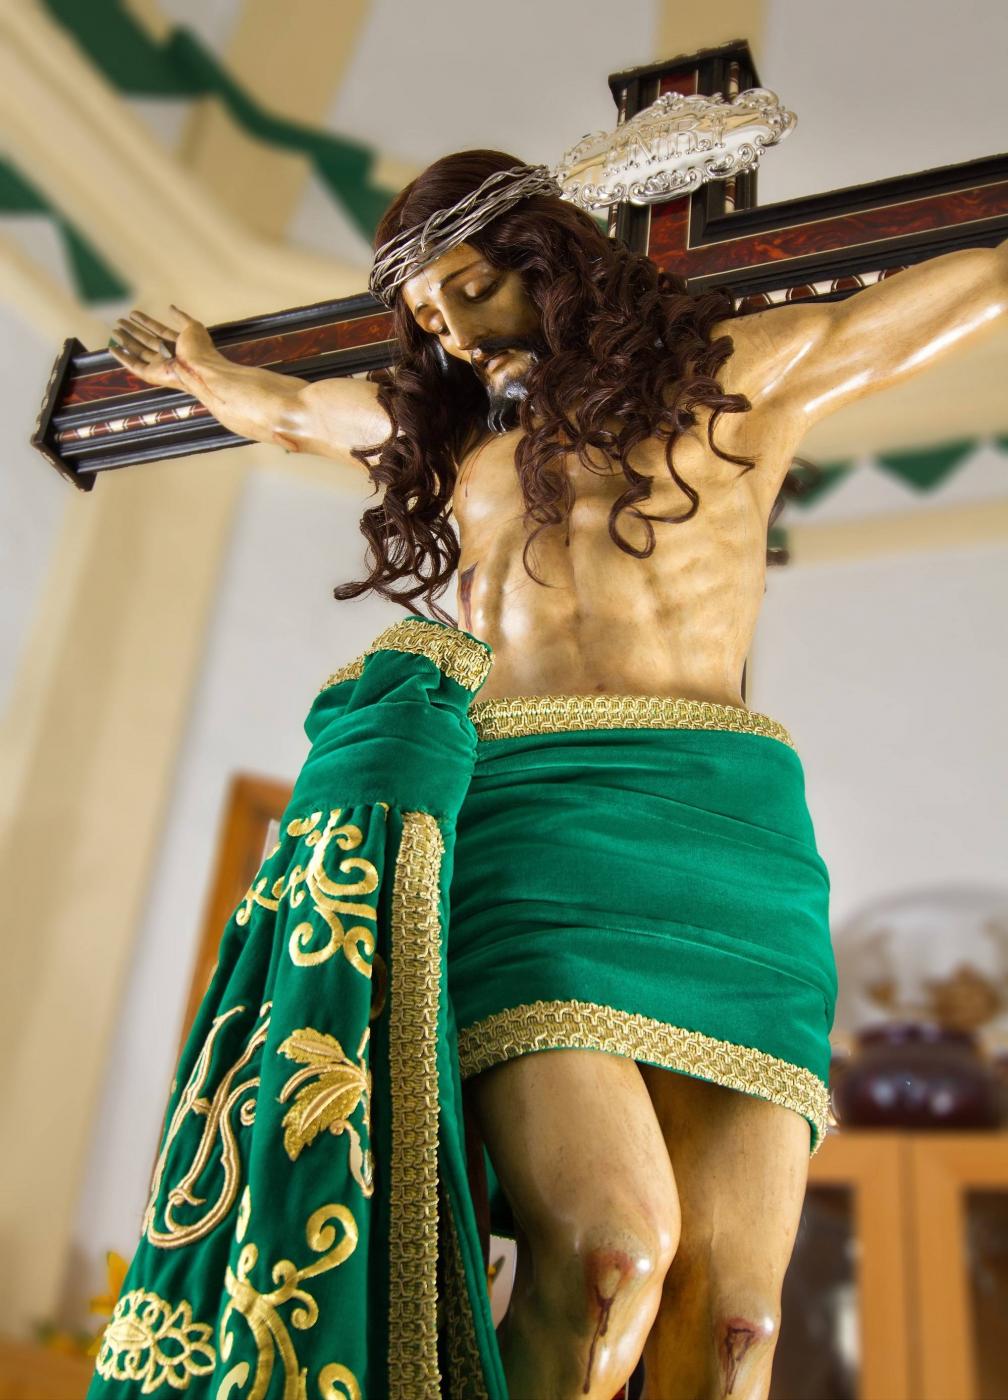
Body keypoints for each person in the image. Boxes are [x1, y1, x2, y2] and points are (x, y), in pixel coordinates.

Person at [107, 150, 1007, 1400]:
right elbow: (300, 412)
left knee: (738, 1325)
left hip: (729, 837)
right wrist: (209, 375)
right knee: (606, 1256)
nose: (459, 333)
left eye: (474, 288)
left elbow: (952, 293)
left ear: (550, 258)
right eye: (430, 318)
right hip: (532, 825)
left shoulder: (737, 378)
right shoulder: (453, 442)